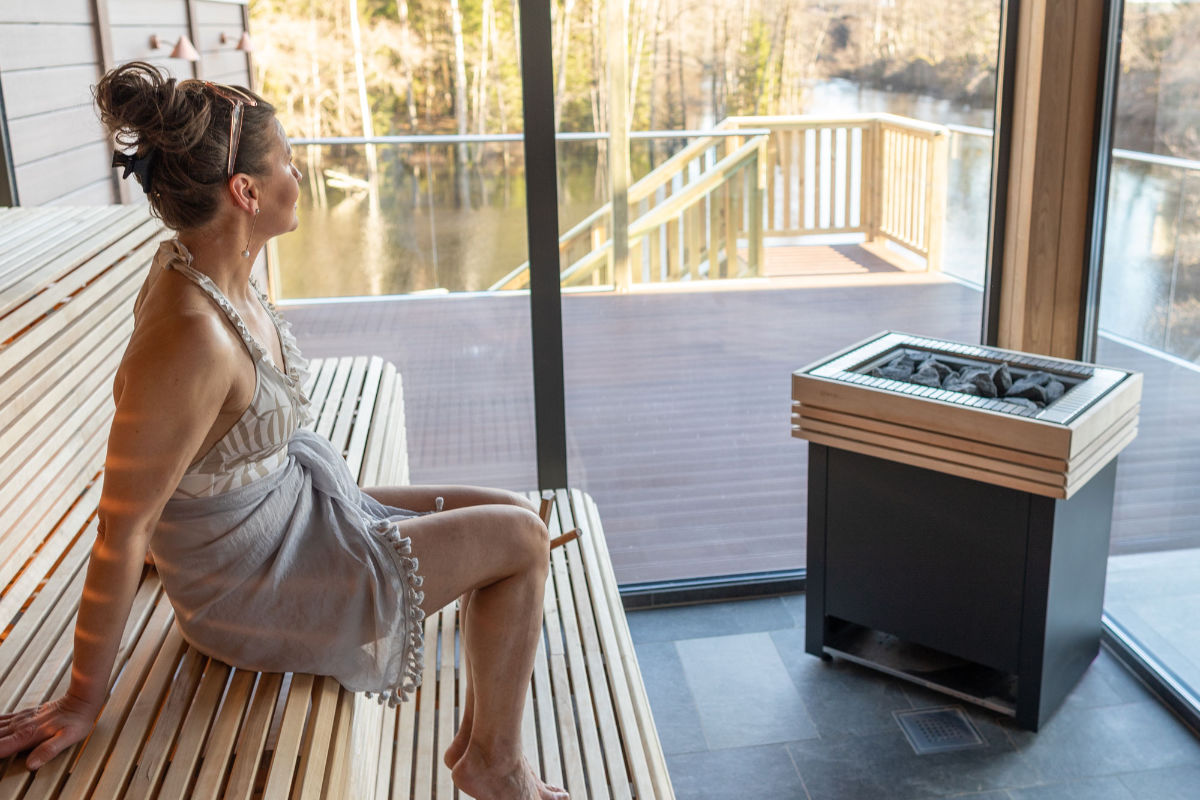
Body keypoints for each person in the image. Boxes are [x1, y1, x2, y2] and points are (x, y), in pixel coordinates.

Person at [0, 62, 566, 800]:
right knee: (519, 542)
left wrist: (175, 523)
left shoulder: (215, 264)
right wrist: (82, 699)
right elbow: (122, 525)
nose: (298, 175)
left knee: (516, 515)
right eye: (288, 162)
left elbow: (192, 455)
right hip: (247, 587)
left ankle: (478, 744)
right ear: (246, 191)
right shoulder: (191, 336)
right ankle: (496, 765)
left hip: (285, 515)